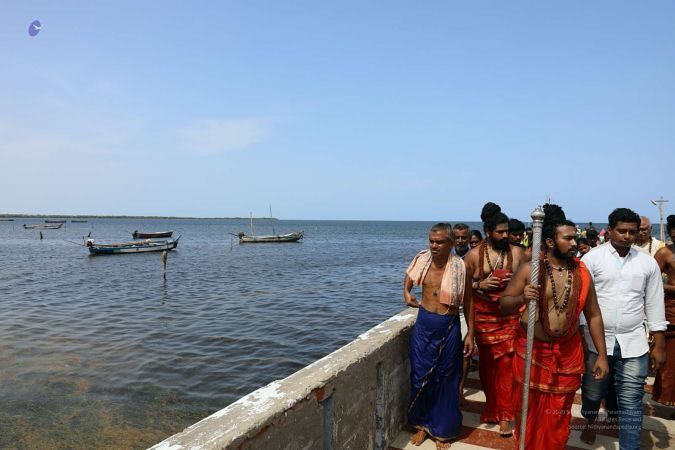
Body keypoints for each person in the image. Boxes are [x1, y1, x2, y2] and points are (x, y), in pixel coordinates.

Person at [500, 204, 608, 449]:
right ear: (549, 242)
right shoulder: (530, 270)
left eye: (575, 238)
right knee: (527, 411)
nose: (574, 243)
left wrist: (602, 355)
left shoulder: (582, 274)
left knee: (558, 415)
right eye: (567, 238)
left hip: (567, 353)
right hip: (533, 353)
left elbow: (593, 315)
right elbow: (504, 304)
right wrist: (522, 297)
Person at [579, 208, 668, 449]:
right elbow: (581, 302)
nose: (627, 236)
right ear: (609, 231)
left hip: (634, 341)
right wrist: (580, 336)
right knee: (592, 394)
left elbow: (654, 303)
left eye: (632, 231)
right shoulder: (592, 259)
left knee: (631, 401)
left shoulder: (647, 263)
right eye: (622, 231)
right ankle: (590, 421)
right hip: (595, 341)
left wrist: (659, 343)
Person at [403, 223, 475, 449]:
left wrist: (470, 334)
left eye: (440, 242)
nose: (434, 246)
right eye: (432, 241)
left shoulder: (461, 267)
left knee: (446, 378)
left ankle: (442, 430)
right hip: (424, 324)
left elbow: (468, 301)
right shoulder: (422, 260)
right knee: (420, 375)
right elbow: (409, 278)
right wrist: (406, 292)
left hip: (448, 325)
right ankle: (422, 424)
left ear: (451, 243)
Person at [464, 202, 526, 436]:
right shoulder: (472, 256)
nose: (505, 235)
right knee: (488, 368)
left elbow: (529, 282)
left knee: (507, 367)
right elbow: (462, 290)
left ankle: (506, 416)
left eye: (507, 231)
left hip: (509, 317)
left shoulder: (518, 253)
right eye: (500, 232)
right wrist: (480, 284)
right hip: (483, 318)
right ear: (488, 231)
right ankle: (493, 409)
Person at [653, 214, 675, 409]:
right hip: (672, 309)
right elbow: (652, 282)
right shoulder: (664, 253)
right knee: (671, 360)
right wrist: (673, 288)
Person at [451, 223, 475, 402]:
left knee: (465, 352)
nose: (460, 241)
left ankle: (460, 388)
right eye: (457, 237)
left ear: (468, 239)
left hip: (466, 309)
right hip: (448, 310)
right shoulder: (446, 256)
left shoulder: (473, 258)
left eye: (463, 238)